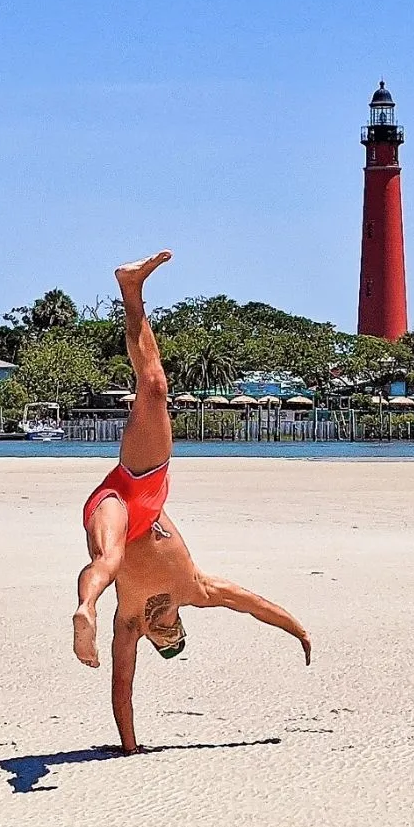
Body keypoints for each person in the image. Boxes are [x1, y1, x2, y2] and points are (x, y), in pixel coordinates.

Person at [73, 253, 311, 754]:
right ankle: (130, 288)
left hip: (114, 504)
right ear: (181, 623)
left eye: (164, 641)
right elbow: (253, 604)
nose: (167, 631)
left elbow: (122, 688)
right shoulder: (195, 590)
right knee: (155, 388)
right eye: (175, 633)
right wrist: (298, 629)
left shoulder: (129, 623)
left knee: (109, 560)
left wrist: (129, 746)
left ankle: (86, 607)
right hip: (145, 488)